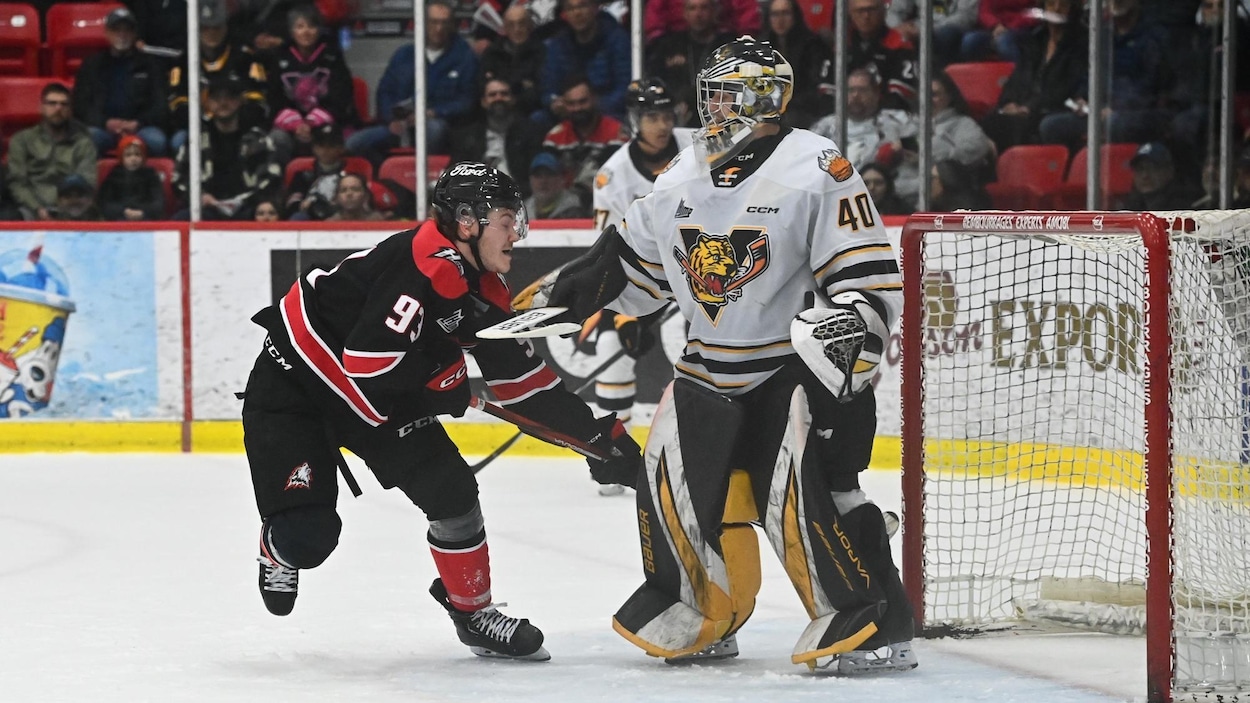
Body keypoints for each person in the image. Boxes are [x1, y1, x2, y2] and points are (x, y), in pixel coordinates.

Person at [546, 36, 915, 673]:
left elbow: (868, 274)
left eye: (723, 92)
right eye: (709, 93)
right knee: (675, 494)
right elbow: (642, 268)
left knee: (815, 501)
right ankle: (703, 612)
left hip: (789, 372)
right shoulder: (683, 170)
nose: (709, 106)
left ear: (764, 98)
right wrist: (586, 287)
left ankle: (877, 623)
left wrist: (850, 327)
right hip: (703, 368)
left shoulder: (817, 166)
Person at [243, 162, 641, 662]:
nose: (517, 232)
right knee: (309, 540)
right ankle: (276, 546)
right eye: (506, 219)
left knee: (452, 491)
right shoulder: (423, 263)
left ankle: (473, 615)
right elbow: (368, 363)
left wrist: (598, 437)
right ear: (468, 223)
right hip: (297, 389)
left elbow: (525, 390)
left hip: (379, 399)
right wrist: (446, 376)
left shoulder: (483, 290)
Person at [346, 0, 479, 165]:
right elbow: (385, 92)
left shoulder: (465, 57)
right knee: (354, 143)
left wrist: (433, 113)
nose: (439, 28)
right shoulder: (404, 55)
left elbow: (467, 101)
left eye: (444, 23)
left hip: (440, 125)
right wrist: (391, 119)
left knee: (434, 130)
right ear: (423, 23)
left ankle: (429, 181)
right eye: (434, 22)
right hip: (401, 125)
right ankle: (388, 178)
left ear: (452, 25)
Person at [173, 73, 283, 221]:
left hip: (247, 210)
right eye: (217, 98)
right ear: (208, 103)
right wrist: (200, 197)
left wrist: (244, 200)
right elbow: (178, 179)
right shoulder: (196, 139)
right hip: (207, 210)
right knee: (181, 218)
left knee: (265, 215)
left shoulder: (258, 138)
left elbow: (272, 177)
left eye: (230, 97)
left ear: (239, 101)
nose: (223, 103)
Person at [167, 2, 270, 156]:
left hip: (239, 126)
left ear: (226, 27)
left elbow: (257, 99)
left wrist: (231, 121)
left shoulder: (244, 56)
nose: (211, 33)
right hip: (197, 127)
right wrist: (203, 123)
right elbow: (177, 100)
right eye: (206, 28)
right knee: (180, 140)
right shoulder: (185, 59)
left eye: (217, 28)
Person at [264, 5, 359, 163]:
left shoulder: (332, 55)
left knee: (331, 138)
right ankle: (280, 184)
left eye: (311, 26)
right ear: (291, 31)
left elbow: (342, 95)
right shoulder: (279, 56)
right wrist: (296, 124)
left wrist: (312, 122)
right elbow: (274, 98)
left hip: (327, 123)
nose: (306, 32)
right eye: (300, 27)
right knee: (276, 139)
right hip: (292, 127)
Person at [72, 7, 170, 158]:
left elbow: (160, 105)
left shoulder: (151, 65)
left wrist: (138, 123)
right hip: (102, 129)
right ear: (107, 33)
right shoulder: (92, 64)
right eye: (116, 30)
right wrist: (106, 122)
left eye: (127, 30)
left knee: (157, 141)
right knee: (87, 140)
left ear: (134, 34)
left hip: (141, 129)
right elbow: (80, 105)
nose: (122, 35)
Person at [6, 83, 98, 222]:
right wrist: (37, 208)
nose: (58, 108)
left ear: (70, 110)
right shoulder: (22, 140)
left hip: (72, 209)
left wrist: (63, 211)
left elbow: (86, 181)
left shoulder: (83, 143)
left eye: (63, 104)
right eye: (52, 103)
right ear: (41, 107)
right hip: (31, 209)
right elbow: (18, 182)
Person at [541, 74, 630, 208]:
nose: (577, 108)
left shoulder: (616, 133)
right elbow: (547, 180)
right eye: (571, 104)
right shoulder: (555, 137)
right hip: (564, 208)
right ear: (564, 104)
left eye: (583, 102)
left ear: (594, 99)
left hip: (607, 202)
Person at [448, 78, 548, 195]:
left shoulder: (531, 132)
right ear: (484, 102)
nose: (498, 98)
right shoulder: (467, 137)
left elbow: (536, 175)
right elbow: (455, 177)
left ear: (513, 99)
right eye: (492, 95)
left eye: (504, 94)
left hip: (521, 198)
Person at [644, 0, 735, 126]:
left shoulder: (728, 46)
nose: (698, 14)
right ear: (685, 13)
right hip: (675, 117)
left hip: (718, 115)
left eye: (704, 8)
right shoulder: (670, 46)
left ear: (714, 11)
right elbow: (654, 80)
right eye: (692, 8)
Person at [539, 0, 632, 123]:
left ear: (595, 8)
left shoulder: (617, 39)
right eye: (570, 8)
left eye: (582, 6)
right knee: (538, 119)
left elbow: (625, 87)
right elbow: (548, 88)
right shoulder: (557, 44)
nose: (577, 13)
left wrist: (593, 106)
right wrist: (554, 102)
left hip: (608, 112)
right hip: (569, 111)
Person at [478, 3, 546, 118]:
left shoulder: (541, 52)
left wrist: (513, 99)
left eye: (521, 23)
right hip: (494, 108)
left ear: (530, 26)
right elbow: (482, 83)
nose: (517, 29)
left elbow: (540, 89)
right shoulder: (493, 52)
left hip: (526, 111)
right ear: (504, 28)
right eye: (511, 25)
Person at [285, 123, 349, 220]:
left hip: (343, 217)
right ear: (314, 148)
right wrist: (303, 205)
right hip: (311, 220)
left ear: (341, 148)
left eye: (331, 146)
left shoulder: (351, 173)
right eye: (321, 145)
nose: (325, 150)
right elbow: (292, 203)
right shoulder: (303, 174)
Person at [98, 134, 166, 221]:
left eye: (137, 154)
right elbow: (105, 204)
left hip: (146, 220)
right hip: (119, 220)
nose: (133, 158)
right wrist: (123, 211)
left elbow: (159, 203)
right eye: (128, 155)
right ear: (121, 158)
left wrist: (143, 212)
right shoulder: (114, 176)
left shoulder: (151, 176)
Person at [1117, 141, 1202, 210]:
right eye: (1140, 169)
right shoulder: (1131, 205)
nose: (1145, 176)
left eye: (1152, 168)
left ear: (1169, 171)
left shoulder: (1184, 208)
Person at [524, 153, 586, 218]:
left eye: (549, 175)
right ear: (530, 180)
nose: (543, 181)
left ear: (561, 180)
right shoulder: (523, 211)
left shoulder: (574, 210)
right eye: (538, 176)